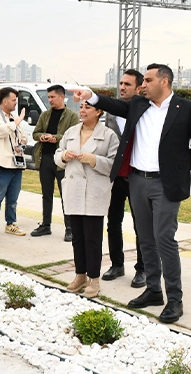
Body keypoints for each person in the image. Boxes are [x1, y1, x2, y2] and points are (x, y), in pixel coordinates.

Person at [74, 63, 191, 324]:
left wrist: (177, 170)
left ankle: (175, 299)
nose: (143, 85)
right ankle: (153, 290)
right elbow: (114, 105)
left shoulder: (186, 109)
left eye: (148, 80)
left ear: (165, 82)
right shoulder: (138, 104)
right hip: (137, 180)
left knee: (164, 239)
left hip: (165, 185)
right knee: (145, 238)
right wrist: (89, 96)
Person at [55, 102, 118, 298]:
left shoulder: (108, 135)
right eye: (81, 107)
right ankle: (79, 275)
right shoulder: (71, 132)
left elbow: (114, 165)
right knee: (78, 238)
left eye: (88, 107)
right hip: (74, 190)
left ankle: (94, 279)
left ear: (99, 111)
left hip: (94, 192)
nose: (82, 110)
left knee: (92, 239)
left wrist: (94, 160)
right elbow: (57, 156)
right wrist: (64, 155)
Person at [102, 69, 146, 288]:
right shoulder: (111, 112)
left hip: (138, 176)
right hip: (116, 176)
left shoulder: (145, 110)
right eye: (120, 83)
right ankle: (117, 264)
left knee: (141, 226)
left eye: (127, 84)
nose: (122, 87)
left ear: (139, 88)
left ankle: (142, 269)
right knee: (113, 222)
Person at [30, 84, 80, 242]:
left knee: (66, 195)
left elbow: (73, 135)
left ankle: (70, 229)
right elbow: (35, 133)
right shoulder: (45, 115)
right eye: (48, 97)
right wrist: (43, 136)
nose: (50, 100)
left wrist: (56, 138)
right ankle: (46, 225)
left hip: (63, 161)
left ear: (61, 97)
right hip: (45, 158)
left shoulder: (72, 116)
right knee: (46, 194)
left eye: (52, 97)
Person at [0, 87, 28, 238]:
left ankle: (11, 224)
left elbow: (22, 134)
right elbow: (3, 130)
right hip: (1, 164)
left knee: (13, 198)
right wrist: (18, 120)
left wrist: (22, 142)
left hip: (16, 164)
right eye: (13, 100)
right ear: (5, 101)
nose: (16, 103)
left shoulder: (13, 117)